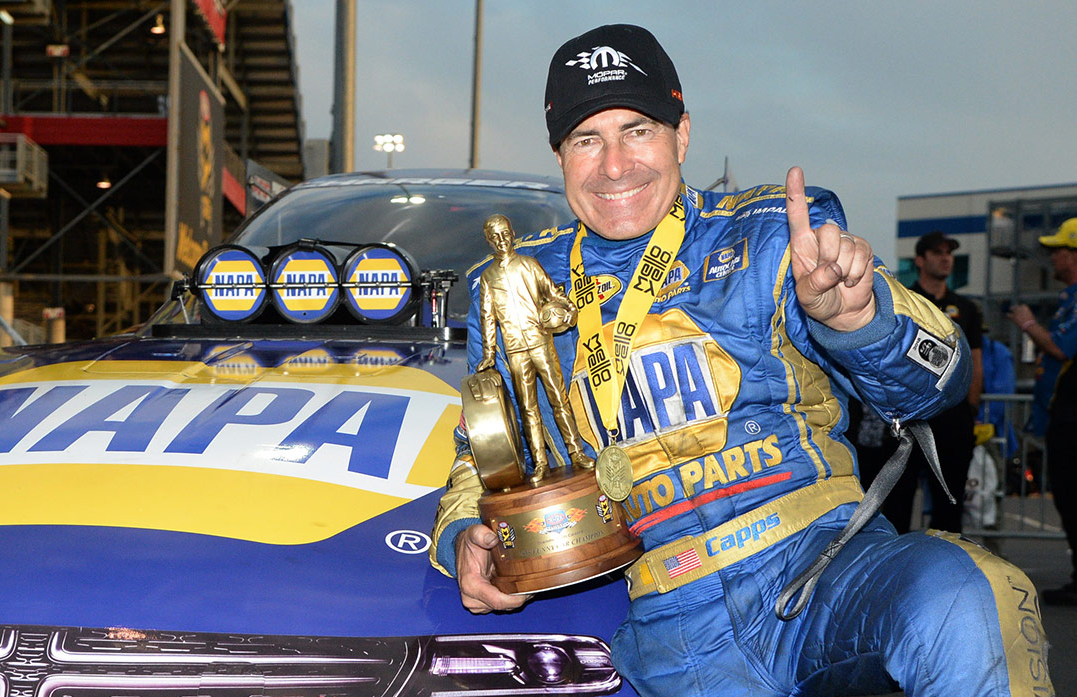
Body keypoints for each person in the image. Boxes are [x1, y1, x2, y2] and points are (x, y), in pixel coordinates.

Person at [430, 24, 1049, 697]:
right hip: (664, 629)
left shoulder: (775, 235)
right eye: (587, 139)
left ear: (682, 134)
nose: (614, 165)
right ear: (560, 155)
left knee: (971, 592)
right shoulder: (522, 280)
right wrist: (467, 533)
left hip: (821, 573)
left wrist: (859, 321)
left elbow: (944, 381)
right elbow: (481, 459)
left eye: (637, 129)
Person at [858, 230, 982, 533]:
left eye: (949, 253)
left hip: (953, 418)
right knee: (898, 502)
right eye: (938, 253)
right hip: (908, 416)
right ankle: (898, 572)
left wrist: (970, 409)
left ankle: (947, 571)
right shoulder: (903, 301)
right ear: (920, 260)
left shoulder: (966, 308)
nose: (946, 259)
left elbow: (976, 361)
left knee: (949, 502)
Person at [476, 214, 593, 480]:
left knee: (558, 399)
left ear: (513, 232)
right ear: (488, 241)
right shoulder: (487, 277)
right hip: (515, 350)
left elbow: (554, 294)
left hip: (541, 342)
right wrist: (488, 354)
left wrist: (570, 311)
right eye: (495, 236)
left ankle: (576, 452)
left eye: (505, 233)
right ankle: (540, 463)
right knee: (528, 408)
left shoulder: (529, 265)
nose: (501, 240)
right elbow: (487, 318)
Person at [1009, 216, 1077, 606]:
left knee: (1071, 496)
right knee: (1066, 498)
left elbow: (1061, 348)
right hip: (1062, 417)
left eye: (1058, 250)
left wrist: (1027, 322)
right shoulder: (1070, 298)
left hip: (1073, 420)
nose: (1052, 258)